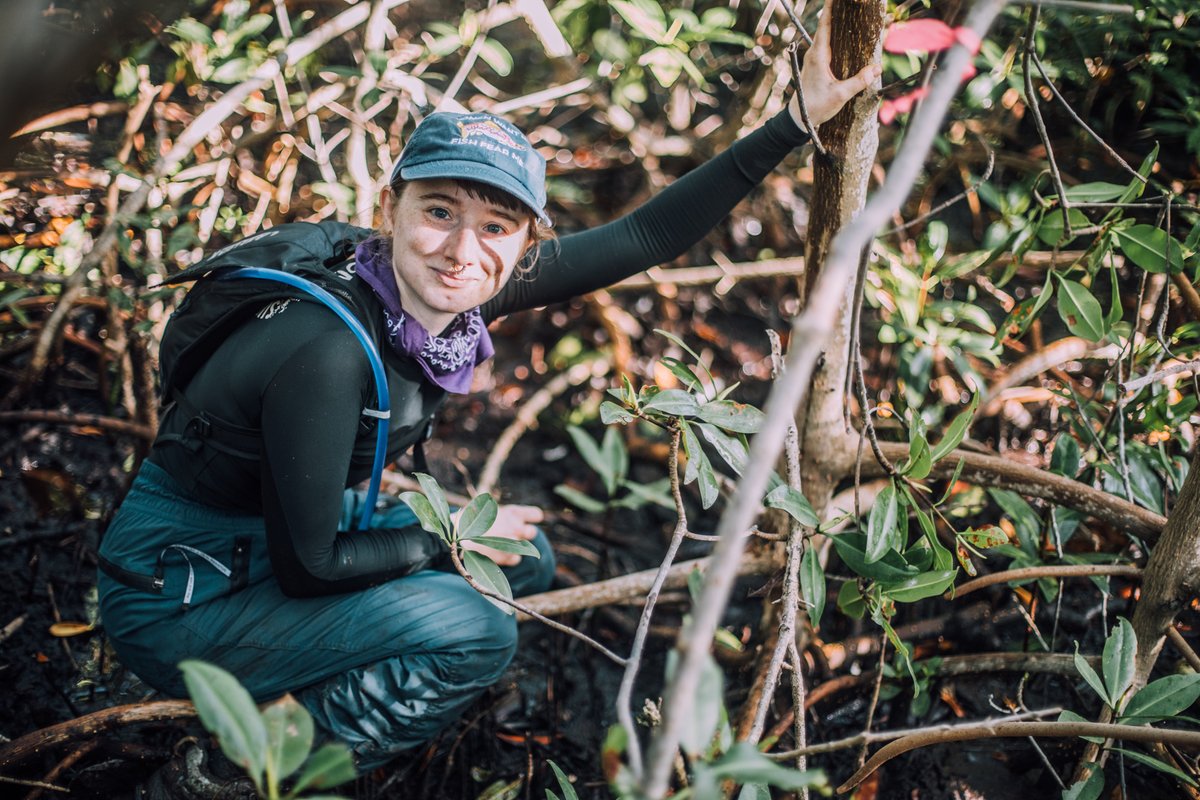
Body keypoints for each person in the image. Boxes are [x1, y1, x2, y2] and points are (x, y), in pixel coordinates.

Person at [97, 7, 878, 784]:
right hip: (183, 591)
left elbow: (644, 238)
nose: (463, 250)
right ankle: (235, 771)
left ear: (523, 242)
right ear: (392, 207)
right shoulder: (328, 350)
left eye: (497, 226)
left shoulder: (448, 290)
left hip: (269, 540)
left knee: (523, 559)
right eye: (439, 212)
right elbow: (313, 567)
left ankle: (313, 670)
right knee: (477, 629)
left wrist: (795, 119)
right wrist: (451, 542)